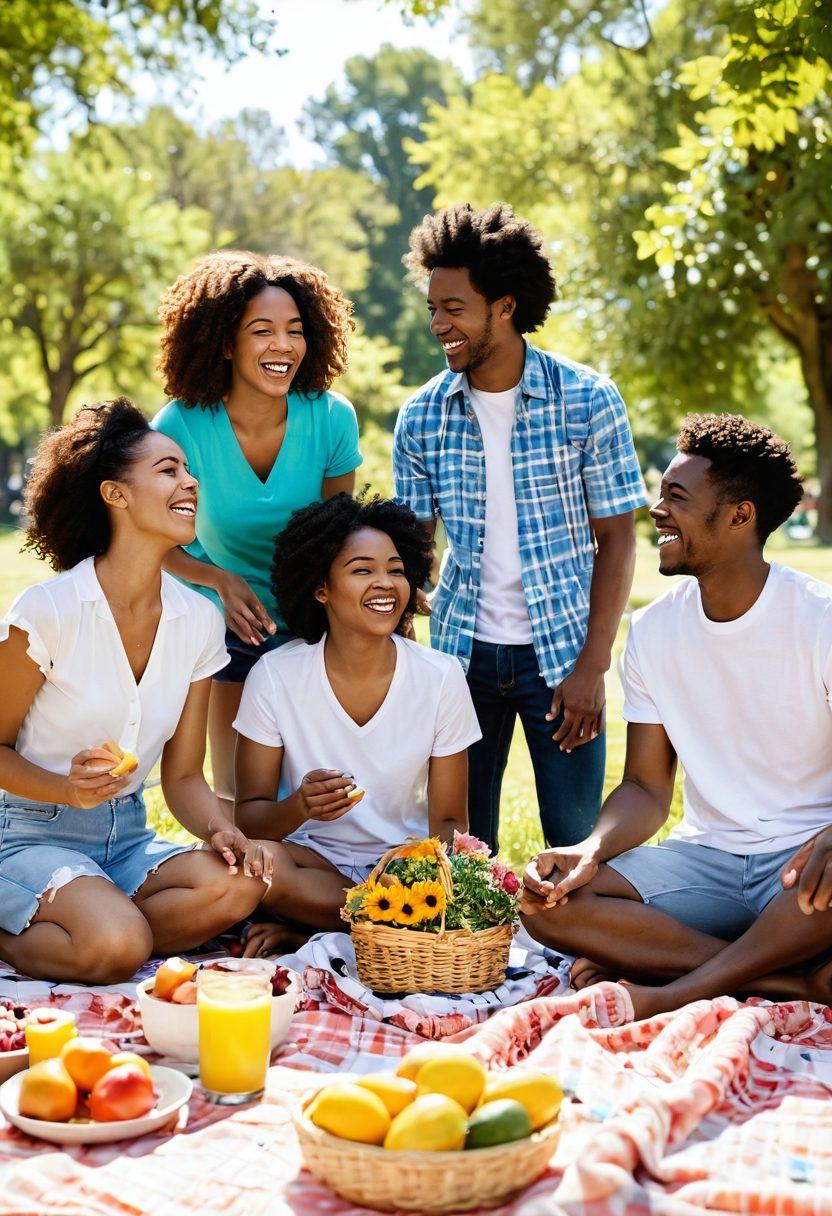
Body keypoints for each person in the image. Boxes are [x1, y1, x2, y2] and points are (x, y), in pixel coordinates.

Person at [521, 414, 832, 1018]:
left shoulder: (819, 619)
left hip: (807, 867)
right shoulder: (654, 628)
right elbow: (644, 787)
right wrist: (590, 850)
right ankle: (785, 979)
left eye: (676, 498)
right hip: (707, 862)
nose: (655, 509)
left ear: (740, 516)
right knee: (547, 905)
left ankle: (675, 984)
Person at [393, 203, 646, 855]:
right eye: (433, 310)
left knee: (574, 846)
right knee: (461, 853)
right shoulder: (421, 418)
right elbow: (411, 555)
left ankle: (577, 962)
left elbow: (618, 538)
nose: (438, 325)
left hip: (562, 660)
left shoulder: (588, 399)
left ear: (504, 306)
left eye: (453, 308)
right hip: (461, 659)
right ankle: (470, 964)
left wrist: (593, 666)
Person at [0, 399, 272, 985]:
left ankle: (101, 930)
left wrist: (220, 831)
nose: (190, 481)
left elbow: (182, 779)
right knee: (120, 942)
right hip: (24, 833)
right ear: (115, 495)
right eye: (168, 470)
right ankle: (95, 933)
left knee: (241, 885)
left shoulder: (197, 620)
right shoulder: (50, 611)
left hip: (126, 836)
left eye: (188, 470)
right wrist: (66, 790)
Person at [152, 250, 362, 810]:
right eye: (262, 331)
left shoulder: (331, 416)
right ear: (225, 341)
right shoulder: (181, 426)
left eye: (295, 331)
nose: (283, 346)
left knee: (321, 785)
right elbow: (148, 538)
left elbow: (338, 534)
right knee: (240, 795)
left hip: (314, 615)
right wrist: (218, 581)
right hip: (226, 625)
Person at [233, 494, 482, 958]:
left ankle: (325, 930)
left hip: (401, 867)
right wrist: (301, 807)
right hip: (308, 867)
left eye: (396, 569)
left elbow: (449, 821)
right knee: (253, 869)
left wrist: (412, 881)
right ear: (321, 588)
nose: (386, 584)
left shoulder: (441, 677)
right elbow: (249, 817)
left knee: (432, 886)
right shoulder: (275, 675)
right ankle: (382, 924)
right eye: (363, 570)